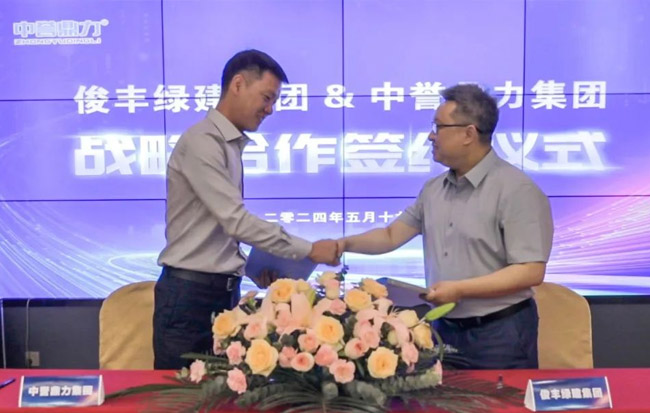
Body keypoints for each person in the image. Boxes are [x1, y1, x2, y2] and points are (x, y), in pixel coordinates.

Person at [338, 84, 553, 369]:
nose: (431, 136)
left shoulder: (517, 190)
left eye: (438, 127)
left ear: (468, 134)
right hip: (443, 329)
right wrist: (341, 245)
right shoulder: (434, 189)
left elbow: (530, 270)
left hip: (500, 333)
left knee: (502, 401)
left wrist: (460, 289)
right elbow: (391, 236)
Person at [154, 49, 340, 370]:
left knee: (221, 398)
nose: (270, 110)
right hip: (189, 299)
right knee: (182, 397)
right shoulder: (202, 142)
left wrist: (257, 269)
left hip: (220, 294)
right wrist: (310, 250)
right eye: (266, 98)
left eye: (274, 101)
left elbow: (219, 231)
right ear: (238, 84)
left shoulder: (228, 144)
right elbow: (236, 221)